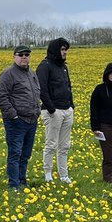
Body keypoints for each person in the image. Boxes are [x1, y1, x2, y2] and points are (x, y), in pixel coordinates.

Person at [0, 45, 40, 189]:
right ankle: (13, 184)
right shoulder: (8, 74)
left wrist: (37, 110)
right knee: (15, 153)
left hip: (31, 120)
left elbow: (37, 94)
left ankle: (22, 181)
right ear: (14, 56)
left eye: (27, 54)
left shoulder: (32, 74)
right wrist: (13, 115)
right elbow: (1, 98)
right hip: (16, 121)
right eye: (21, 55)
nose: (24, 57)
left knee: (26, 154)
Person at [36, 37, 75, 183]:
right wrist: (52, 109)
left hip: (67, 110)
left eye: (66, 50)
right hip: (53, 112)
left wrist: (71, 106)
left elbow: (68, 86)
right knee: (51, 143)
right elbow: (41, 89)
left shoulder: (64, 67)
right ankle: (48, 173)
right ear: (55, 50)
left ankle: (63, 174)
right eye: (62, 49)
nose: (65, 53)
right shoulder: (45, 66)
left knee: (65, 145)